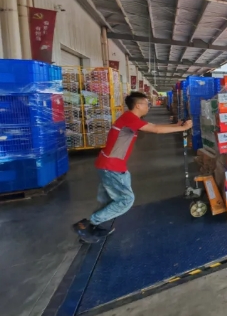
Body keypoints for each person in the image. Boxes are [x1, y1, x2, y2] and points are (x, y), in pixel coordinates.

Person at [72, 92, 192, 243]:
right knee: (126, 200)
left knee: (108, 200)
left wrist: (177, 125)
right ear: (138, 105)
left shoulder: (130, 119)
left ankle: (91, 229)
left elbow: (152, 126)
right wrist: (182, 128)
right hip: (112, 167)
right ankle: (87, 225)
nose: (148, 107)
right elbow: (156, 129)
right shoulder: (130, 118)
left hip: (107, 164)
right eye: (147, 104)